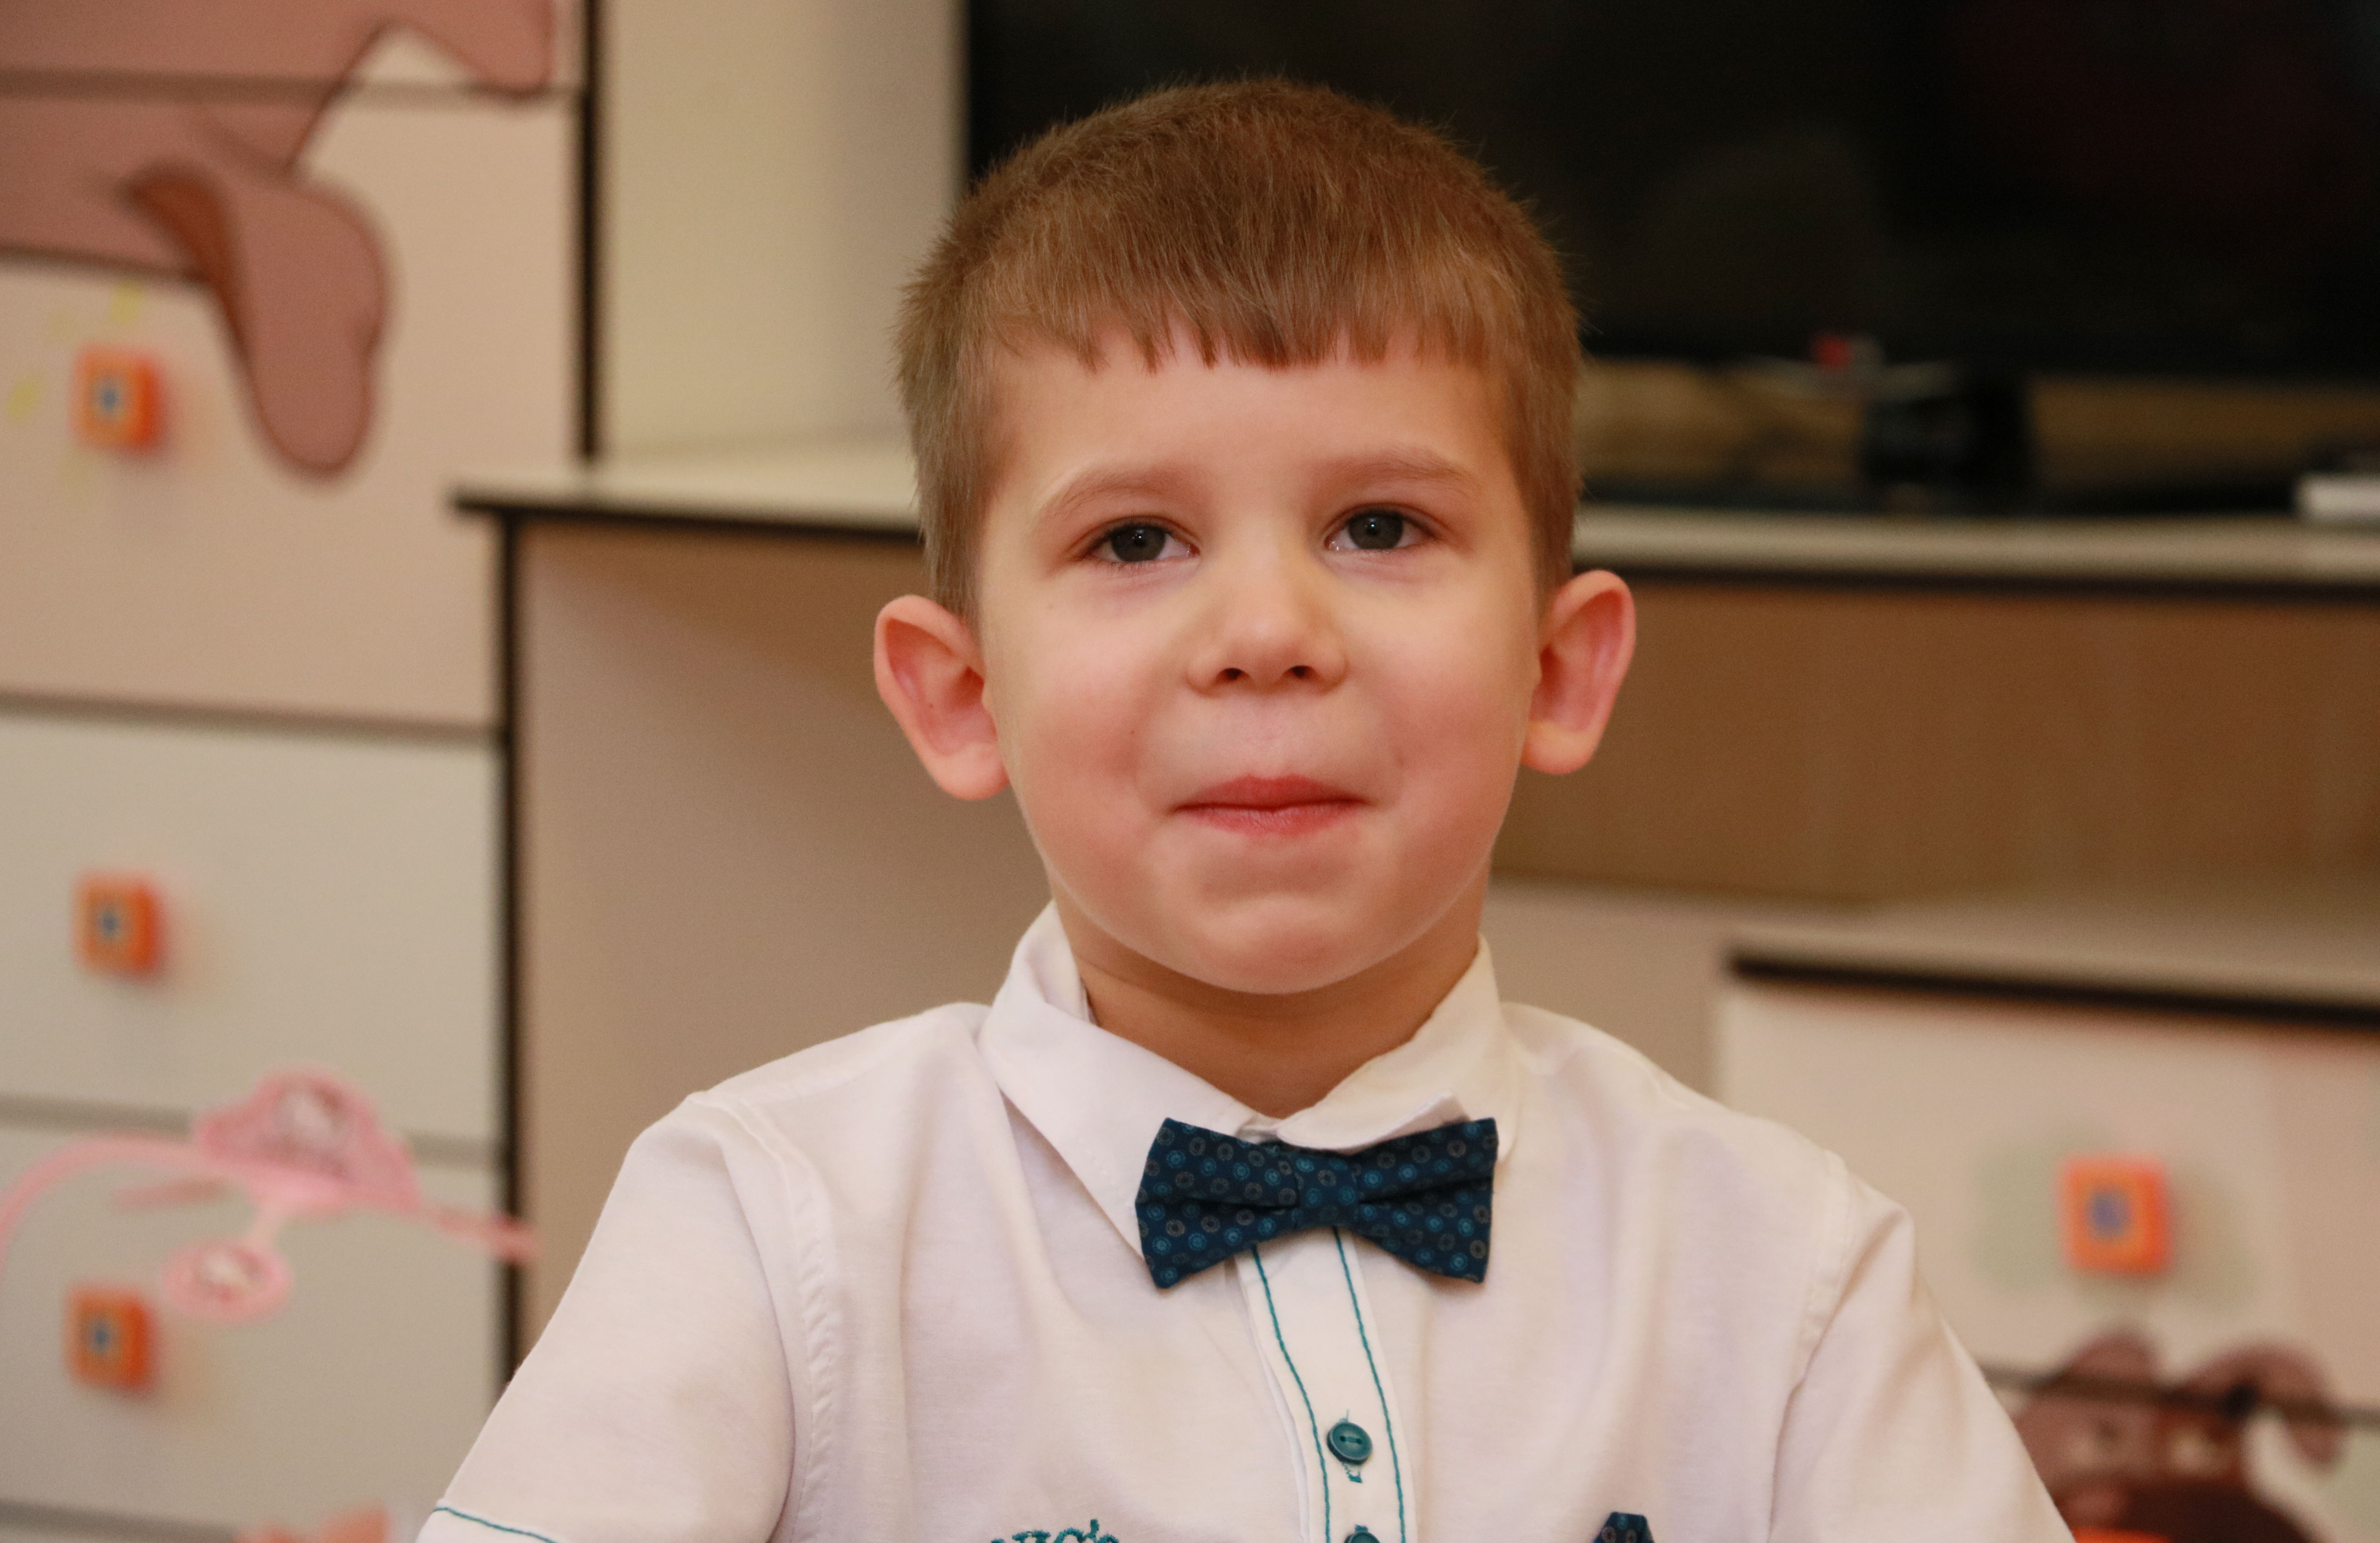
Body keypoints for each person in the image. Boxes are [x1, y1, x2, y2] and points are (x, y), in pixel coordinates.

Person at [418, 80, 2069, 1543]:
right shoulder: (773, 1223)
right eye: (1135, 541)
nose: (1269, 631)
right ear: (962, 694)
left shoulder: (1785, 1271)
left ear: (1559, 670)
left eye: (1380, 527)